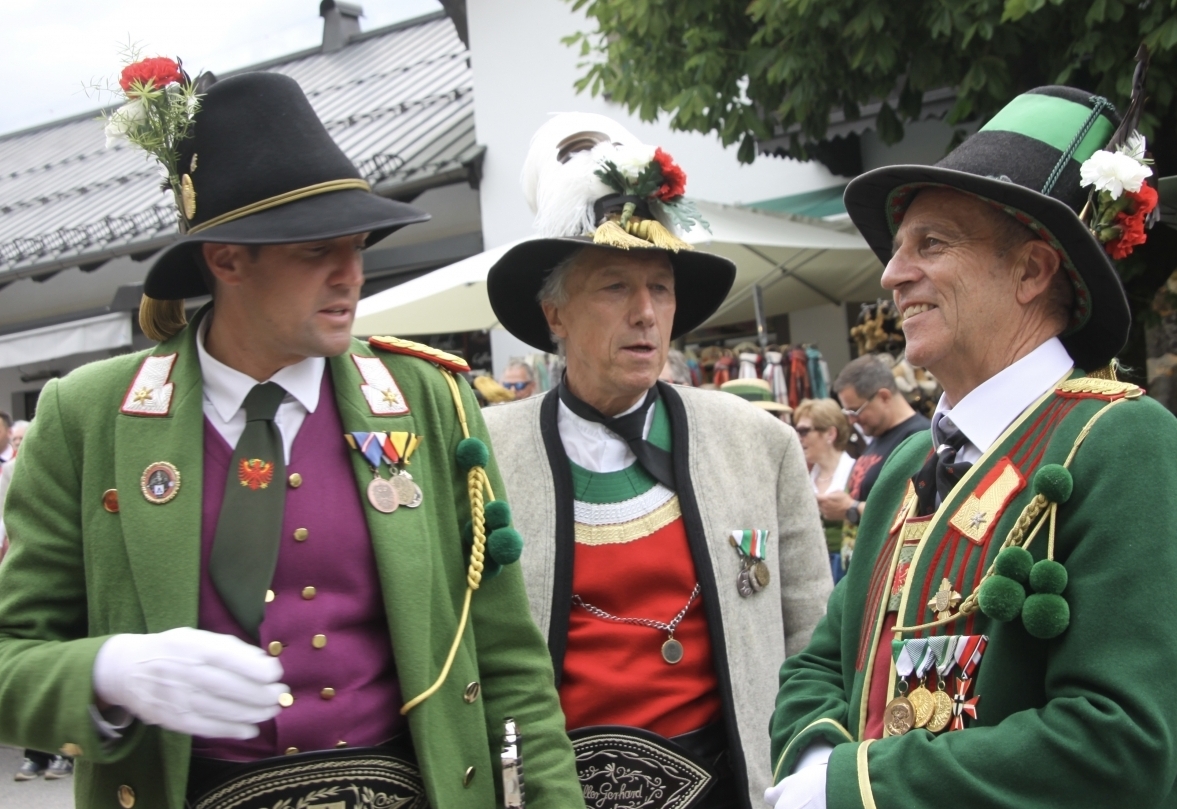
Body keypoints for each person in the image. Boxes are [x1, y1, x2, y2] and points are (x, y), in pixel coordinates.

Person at [0, 71, 581, 809]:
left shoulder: (429, 399)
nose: (352, 275)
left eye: (359, 243)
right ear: (227, 259)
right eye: (315, 251)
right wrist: (110, 671)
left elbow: (506, 659)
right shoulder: (89, 415)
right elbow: (9, 656)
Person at [767, 85, 1177, 809]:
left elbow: (1119, 744)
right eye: (897, 251)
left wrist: (851, 787)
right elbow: (822, 662)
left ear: (1030, 270)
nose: (891, 276)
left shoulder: (1123, 441)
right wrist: (821, 755)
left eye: (931, 243)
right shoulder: (900, 466)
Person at [482, 112, 831, 809]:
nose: (645, 312)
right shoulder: (486, 452)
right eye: (614, 285)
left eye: (660, 288)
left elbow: (814, 642)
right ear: (554, 313)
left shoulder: (758, 441)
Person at [817, 356, 928, 531]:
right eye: (847, 412)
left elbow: (915, 508)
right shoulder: (878, 435)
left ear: (884, 397)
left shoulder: (919, 437)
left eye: (855, 410)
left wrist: (851, 509)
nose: (852, 420)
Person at [793, 399, 855, 584]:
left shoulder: (856, 472)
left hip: (846, 572)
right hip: (810, 572)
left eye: (804, 431)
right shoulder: (804, 476)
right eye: (796, 431)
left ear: (830, 433)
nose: (798, 437)